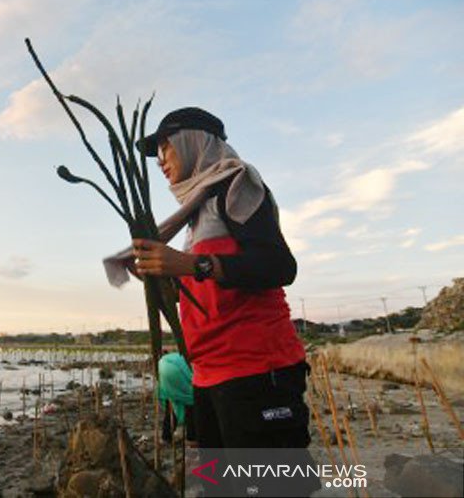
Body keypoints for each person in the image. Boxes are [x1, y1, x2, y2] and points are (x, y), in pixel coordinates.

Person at [110, 107, 319, 496]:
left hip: (257, 372)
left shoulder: (237, 186)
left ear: (194, 142)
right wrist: (166, 277)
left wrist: (189, 263)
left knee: (275, 489)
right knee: (220, 489)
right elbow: (209, 285)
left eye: (166, 148)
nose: (159, 161)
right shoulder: (196, 211)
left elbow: (279, 265)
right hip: (210, 375)